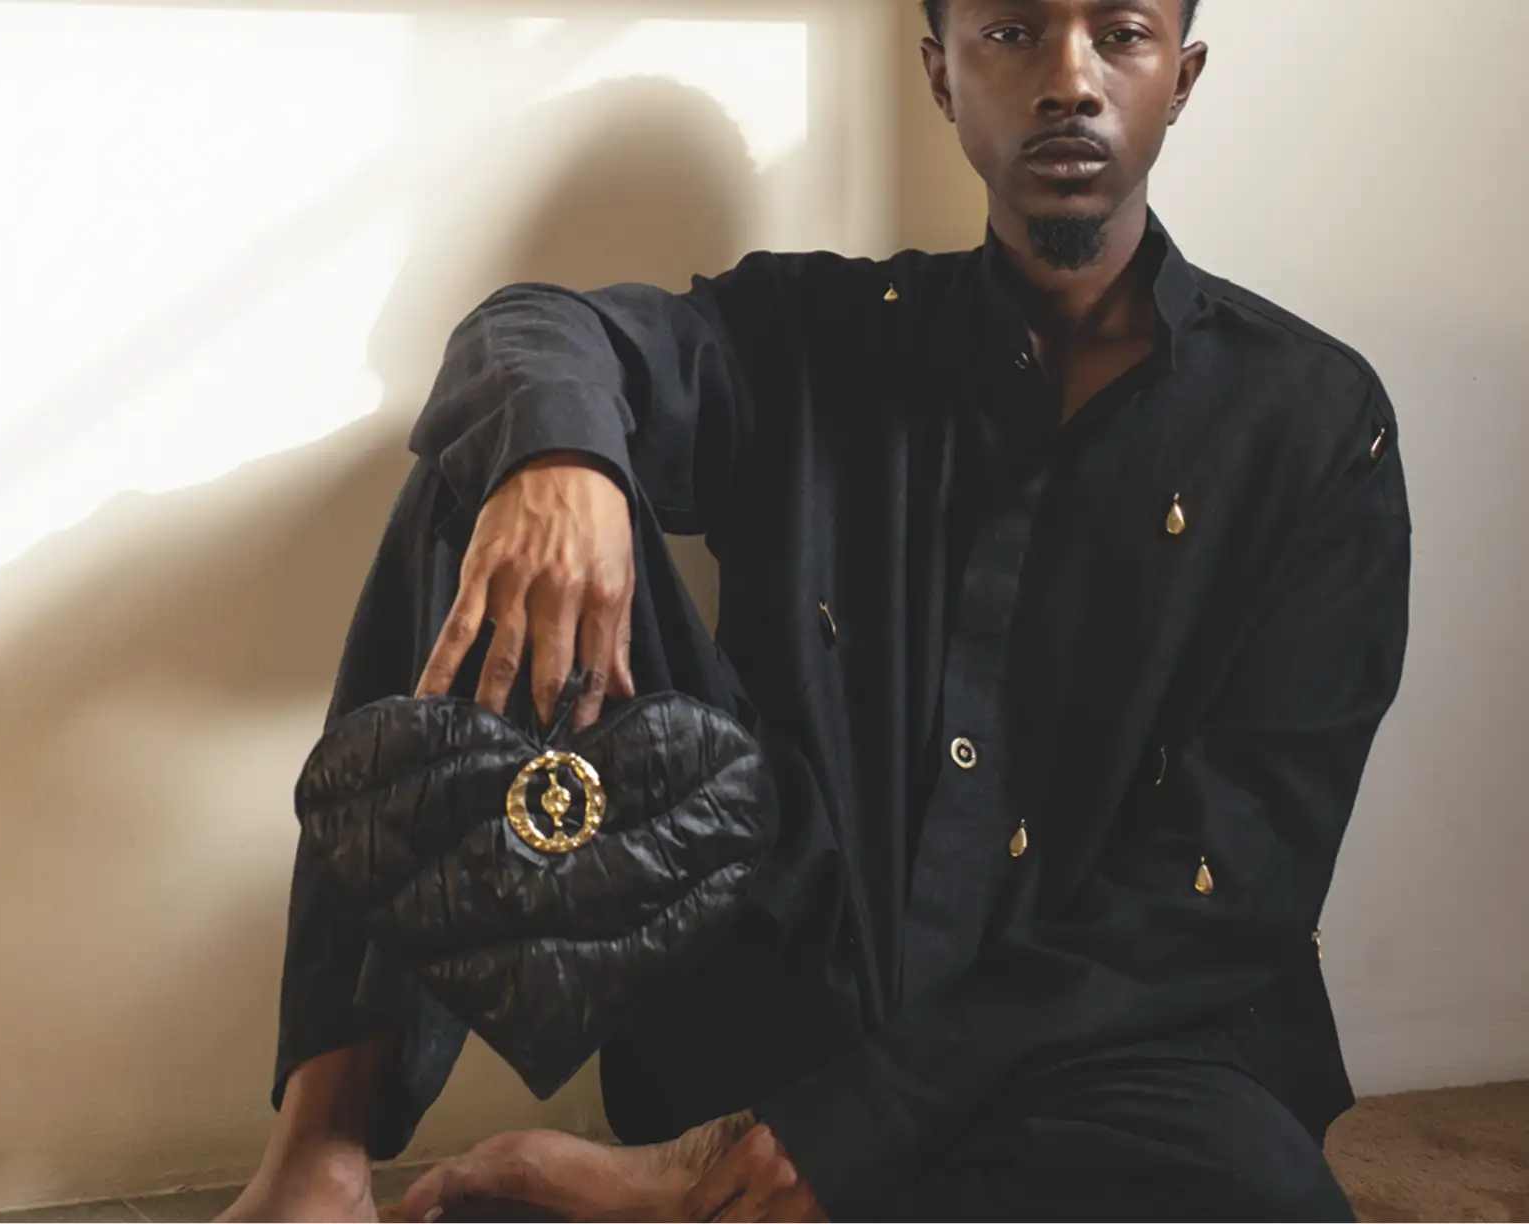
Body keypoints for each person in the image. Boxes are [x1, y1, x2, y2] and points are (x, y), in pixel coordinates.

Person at [219, 0, 1411, 1221]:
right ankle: (320, 1161)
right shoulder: (808, 332)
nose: (1069, 78)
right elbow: (536, 329)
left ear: (1182, 76)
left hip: (1082, 1047)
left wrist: (855, 1127)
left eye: (1120, 31)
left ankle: (687, 1187)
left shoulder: (1313, 421)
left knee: (1260, 1202)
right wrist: (559, 462)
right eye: (1011, 32)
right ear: (939, 77)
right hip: (773, 974)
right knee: (497, 459)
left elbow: (1235, 879)